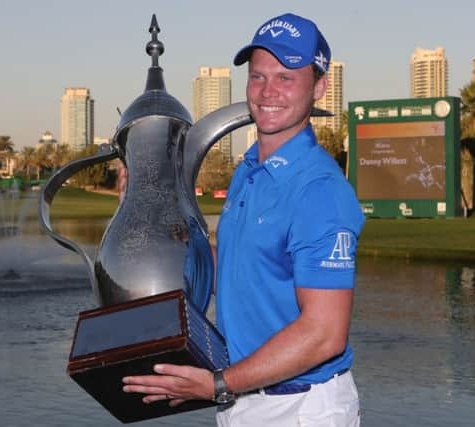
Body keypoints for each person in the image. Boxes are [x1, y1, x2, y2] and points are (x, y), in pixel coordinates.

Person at [123, 12, 365, 426]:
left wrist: (218, 384)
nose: (268, 91)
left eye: (286, 78)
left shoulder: (319, 190)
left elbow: (324, 334)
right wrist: (152, 212)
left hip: (300, 409)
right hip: (243, 399)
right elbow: (239, 267)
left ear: (319, 88)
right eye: (258, 77)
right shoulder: (248, 170)